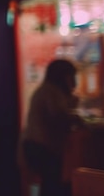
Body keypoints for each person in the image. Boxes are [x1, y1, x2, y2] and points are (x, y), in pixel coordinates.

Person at [21, 59, 82, 196]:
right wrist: (76, 118)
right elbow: (59, 117)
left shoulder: (47, 90)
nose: (73, 80)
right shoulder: (51, 91)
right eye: (71, 76)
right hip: (42, 148)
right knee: (54, 185)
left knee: (51, 185)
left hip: (35, 146)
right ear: (64, 76)